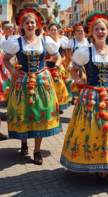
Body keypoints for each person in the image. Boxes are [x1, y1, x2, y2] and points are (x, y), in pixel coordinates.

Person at [60, 12, 108, 183]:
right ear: (92, 33)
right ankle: (98, 165)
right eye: (96, 29)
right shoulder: (84, 52)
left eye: (103, 29)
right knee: (94, 130)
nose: (100, 31)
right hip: (91, 96)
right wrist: (77, 81)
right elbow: (73, 70)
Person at [2, 8, 62, 165]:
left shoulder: (45, 40)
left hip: (42, 82)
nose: (30, 25)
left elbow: (57, 57)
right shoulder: (16, 42)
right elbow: (6, 59)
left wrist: (53, 69)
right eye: (27, 23)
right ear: (22, 26)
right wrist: (13, 71)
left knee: (39, 114)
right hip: (22, 83)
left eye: (32, 22)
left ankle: (37, 150)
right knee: (23, 113)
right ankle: (23, 142)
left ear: (37, 25)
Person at [46, 21, 70, 114]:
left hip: (58, 67)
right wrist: (52, 60)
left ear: (58, 31)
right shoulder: (46, 40)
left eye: (55, 30)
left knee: (59, 87)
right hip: (49, 67)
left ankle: (59, 107)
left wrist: (59, 61)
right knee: (50, 87)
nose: (53, 31)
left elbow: (63, 56)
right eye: (51, 30)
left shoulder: (62, 41)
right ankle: (52, 106)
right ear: (49, 31)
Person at [67, 23, 89, 99]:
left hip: (85, 63)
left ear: (84, 32)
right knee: (74, 80)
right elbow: (69, 55)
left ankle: (82, 95)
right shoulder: (71, 41)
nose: (80, 32)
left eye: (81, 31)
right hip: (74, 62)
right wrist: (76, 62)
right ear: (75, 32)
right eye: (78, 31)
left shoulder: (86, 41)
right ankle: (73, 97)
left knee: (84, 79)